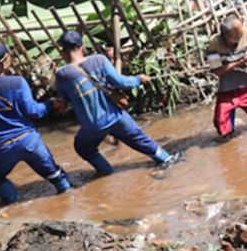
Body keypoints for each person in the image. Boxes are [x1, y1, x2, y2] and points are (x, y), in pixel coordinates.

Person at [53, 31, 174, 172]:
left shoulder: (62, 75)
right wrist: (138, 79)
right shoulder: (99, 60)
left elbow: (64, 98)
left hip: (92, 126)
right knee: (142, 140)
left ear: (63, 52)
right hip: (116, 117)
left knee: (83, 147)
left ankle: (106, 172)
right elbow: (121, 82)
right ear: (82, 48)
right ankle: (167, 159)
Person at [0, 43, 70, 203]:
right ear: (5, 62)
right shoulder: (17, 83)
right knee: (56, 176)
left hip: (2, 147)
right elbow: (33, 111)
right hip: (29, 141)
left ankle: (12, 204)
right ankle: (69, 199)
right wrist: (50, 104)